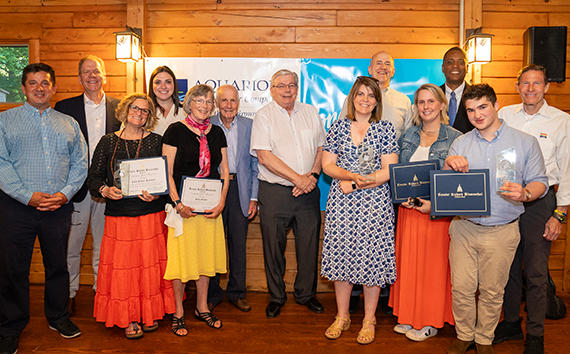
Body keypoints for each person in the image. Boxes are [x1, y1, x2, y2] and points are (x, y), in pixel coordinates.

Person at [444, 84, 548, 354]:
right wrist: (448, 165)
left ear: (496, 105)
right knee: (462, 289)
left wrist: (525, 193)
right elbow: (445, 185)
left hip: (502, 230)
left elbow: (540, 182)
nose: (477, 115)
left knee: (492, 292)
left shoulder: (525, 142)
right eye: (470, 110)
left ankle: (484, 340)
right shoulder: (460, 143)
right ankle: (465, 335)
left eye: (482, 107)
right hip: (463, 228)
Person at [0, 63, 87, 354]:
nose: (40, 88)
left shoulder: (69, 123)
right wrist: (27, 196)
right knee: (13, 270)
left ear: (54, 87)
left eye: (45, 83)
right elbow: (1, 164)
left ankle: (58, 317)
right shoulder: (5, 121)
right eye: (33, 83)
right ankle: (11, 326)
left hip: (58, 208)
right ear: (24, 88)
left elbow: (80, 164)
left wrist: (64, 195)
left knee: (58, 267)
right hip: (16, 208)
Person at [494, 64, 570, 354]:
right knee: (509, 268)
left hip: (541, 204)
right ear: (517, 86)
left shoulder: (561, 121)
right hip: (506, 200)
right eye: (525, 83)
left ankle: (535, 334)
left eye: (536, 83)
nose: (530, 89)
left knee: (536, 272)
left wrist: (559, 213)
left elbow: (567, 169)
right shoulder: (504, 116)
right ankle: (511, 323)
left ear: (546, 87)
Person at [88, 93, 175, 339]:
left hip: (150, 215)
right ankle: (130, 317)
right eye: (135, 108)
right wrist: (105, 189)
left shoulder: (157, 141)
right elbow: (93, 178)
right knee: (125, 270)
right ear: (126, 110)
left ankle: (148, 314)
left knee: (148, 267)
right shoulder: (107, 142)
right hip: (119, 218)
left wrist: (158, 195)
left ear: (150, 116)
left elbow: (168, 178)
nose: (139, 113)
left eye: (145, 110)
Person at [321, 76, 399, 344]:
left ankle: (369, 319)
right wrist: (351, 175)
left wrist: (354, 183)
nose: (365, 99)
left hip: (374, 204)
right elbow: (327, 165)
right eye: (360, 94)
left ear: (377, 101)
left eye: (371, 95)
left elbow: (389, 171)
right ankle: (342, 316)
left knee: (371, 261)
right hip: (341, 205)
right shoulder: (339, 127)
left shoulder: (386, 129)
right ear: (352, 97)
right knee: (342, 259)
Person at [389, 84, 461, 342]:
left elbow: (457, 181)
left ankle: (429, 320)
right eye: (421, 102)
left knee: (432, 268)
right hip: (409, 212)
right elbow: (397, 173)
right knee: (409, 264)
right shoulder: (407, 135)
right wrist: (402, 199)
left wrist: (433, 203)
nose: (426, 106)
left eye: (431, 101)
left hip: (436, 214)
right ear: (416, 107)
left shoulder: (456, 137)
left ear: (442, 104)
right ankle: (409, 314)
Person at [251, 69, 325, 319]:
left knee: (309, 245)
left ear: (297, 87)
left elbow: (320, 148)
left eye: (291, 85)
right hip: (275, 192)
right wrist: (299, 179)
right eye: (281, 86)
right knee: (273, 248)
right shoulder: (264, 116)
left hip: (309, 192)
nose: (287, 90)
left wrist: (313, 177)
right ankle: (276, 296)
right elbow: (264, 156)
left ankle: (306, 295)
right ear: (272, 90)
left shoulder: (311, 112)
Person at [54, 55, 121, 313]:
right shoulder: (64, 107)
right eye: (86, 72)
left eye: (97, 71)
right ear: (79, 78)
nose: (92, 75)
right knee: (72, 245)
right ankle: (69, 293)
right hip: (76, 188)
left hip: (107, 190)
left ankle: (100, 291)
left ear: (105, 76)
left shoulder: (118, 107)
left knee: (104, 245)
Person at [162, 84, 229, 335]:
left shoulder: (217, 133)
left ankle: (202, 307)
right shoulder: (175, 131)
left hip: (210, 208)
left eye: (209, 101)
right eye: (199, 100)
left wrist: (221, 202)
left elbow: (223, 171)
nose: (204, 105)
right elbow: (166, 172)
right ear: (189, 104)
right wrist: (178, 204)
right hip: (182, 209)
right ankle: (179, 311)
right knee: (180, 261)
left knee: (204, 258)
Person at [207, 85, 259, 312]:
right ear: (217, 103)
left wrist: (254, 197)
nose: (229, 105)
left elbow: (256, 165)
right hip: (213, 190)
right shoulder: (207, 125)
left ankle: (237, 293)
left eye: (233, 101)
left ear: (239, 102)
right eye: (224, 101)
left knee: (238, 245)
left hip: (241, 190)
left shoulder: (250, 125)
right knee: (212, 245)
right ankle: (211, 293)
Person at [340, 51, 412, 139]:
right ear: (370, 69)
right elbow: (340, 132)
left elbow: (408, 138)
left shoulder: (404, 101)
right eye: (379, 63)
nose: (383, 67)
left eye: (387, 64)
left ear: (393, 71)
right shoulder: (354, 99)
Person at [440, 47, 474, 133]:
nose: (455, 66)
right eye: (450, 62)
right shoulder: (434, 95)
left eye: (460, 62)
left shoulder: (477, 96)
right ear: (443, 68)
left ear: (467, 68)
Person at [148, 65, 184, 136]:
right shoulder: (143, 111)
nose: (163, 86)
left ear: (174, 84)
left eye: (168, 82)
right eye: (158, 82)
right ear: (151, 85)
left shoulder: (186, 111)